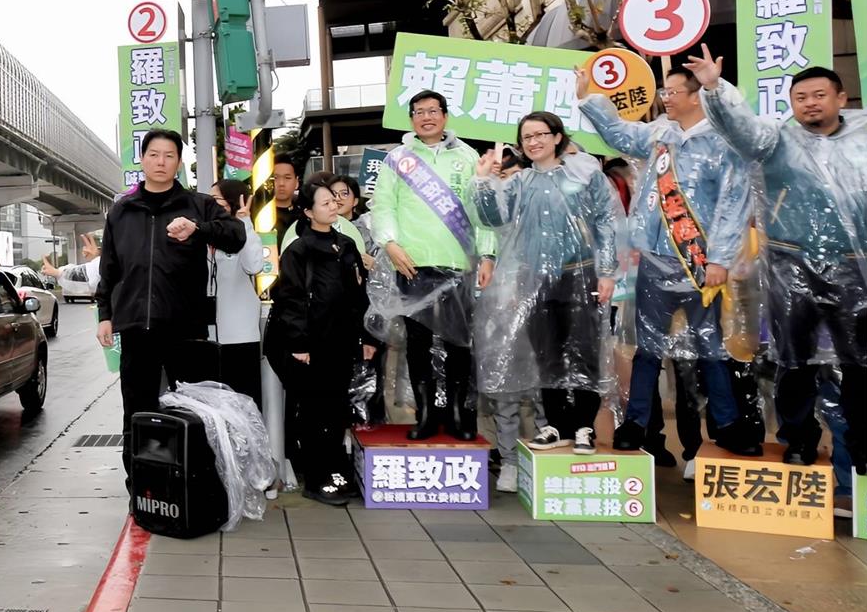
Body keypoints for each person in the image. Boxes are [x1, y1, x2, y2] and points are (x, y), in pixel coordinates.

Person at [687, 48, 867, 473]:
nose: (810, 103)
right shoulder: (775, 139)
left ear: (841, 98)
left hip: (855, 265)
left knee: (860, 363)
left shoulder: (863, 139)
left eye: (819, 95)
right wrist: (714, 89)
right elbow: (740, 130)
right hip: (792, 265)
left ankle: (862, 447)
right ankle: (799, 440)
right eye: (801, 96)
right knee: (794, 362)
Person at [577, 64, 762, 458]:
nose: (665, 97)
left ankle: (727, 425)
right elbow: (617, 133)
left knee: (711, 347)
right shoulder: (660, 133)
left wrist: (720, 257)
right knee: (648, 346)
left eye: (673, 91)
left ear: (696, 96)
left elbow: (733, 204)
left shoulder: (723, 143)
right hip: (657, 259)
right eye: (664, 91)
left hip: (701, 263)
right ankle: (636, 425)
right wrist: (587, 98)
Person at [472, 113, 619, 489]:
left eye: (541, 134)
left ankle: (584, 425)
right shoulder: (519, 182)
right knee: (546, 352)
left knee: (583, 349)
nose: (534, 141)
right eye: (526, 136)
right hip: (535, 277)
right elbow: (492, 218)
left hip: (581, 272)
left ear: (557, 137)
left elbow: (605, 221)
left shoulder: (584, 175)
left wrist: (606, 271)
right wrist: (484, 179)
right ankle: (555, 425)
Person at [96, 128, 246, 490]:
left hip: (184, 327)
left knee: (193, 406)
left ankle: (196, 483)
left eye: (169, 156)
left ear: (179, 163)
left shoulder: (197, 205)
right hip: (136, 328)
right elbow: (110, 268)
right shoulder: (121, 211)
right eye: (154, 154)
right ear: (142, 159)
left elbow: (236, 236)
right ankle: (142, 484)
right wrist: (105, 314)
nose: (161, 162)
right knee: (136, 409)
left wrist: (198, 229)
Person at [369, 89, 496, 441]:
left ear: (445, 115)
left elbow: (482, 211)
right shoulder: (399, 158)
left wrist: (487, 254)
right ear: (411, 119)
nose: (426, 117)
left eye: (433, 110)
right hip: (413, 264)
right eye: (419, 112)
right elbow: (383, 205)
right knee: (418, 341)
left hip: (458, 263)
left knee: (459, 342)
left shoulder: (468, 157)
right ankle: (424, 414)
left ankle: (457, 413)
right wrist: (390, 244)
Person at [264, 176, 376, 505]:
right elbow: (292, 299)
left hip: (341, 341)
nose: (333, 206)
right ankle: (316, 477)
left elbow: (359, 296)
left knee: (337, 408)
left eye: (335, 201)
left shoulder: (346, 245)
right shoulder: (299, 250)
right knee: (313, 411)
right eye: (325, 202)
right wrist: (299, 345)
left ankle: (336, 472)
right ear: (309, 212)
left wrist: (367, 336)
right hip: (309, 346)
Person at [209, 179, 264, 410]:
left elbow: (254, 266)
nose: (210, 204)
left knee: (244, 406)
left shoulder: (243, 233)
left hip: (240, 337)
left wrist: (245, 224)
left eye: (216, 200)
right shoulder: (202, 232)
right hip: (208, 338)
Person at [272, 155, 302, 249]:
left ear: (296, 182)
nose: (281, 183)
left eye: (287, 178)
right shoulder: (260, 216)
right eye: (275, 178)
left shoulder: (304, 217)